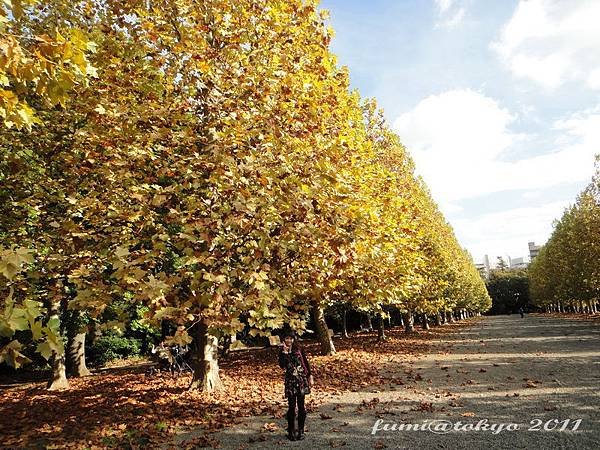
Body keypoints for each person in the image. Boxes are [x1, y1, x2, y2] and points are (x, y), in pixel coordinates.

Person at [278, 330, 313, 441]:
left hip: (301, 379)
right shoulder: (282, 351)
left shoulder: (299, 349)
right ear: (284, 339)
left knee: (301, 406)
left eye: (291, 338)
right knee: (291, 406)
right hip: (290, 381)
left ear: (294, 339)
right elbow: (282, 366)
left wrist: (310, 376)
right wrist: (285, 353)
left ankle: (301, 430)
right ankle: (291, 430)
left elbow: (305, 363)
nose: (289, 340)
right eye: (287, 338)